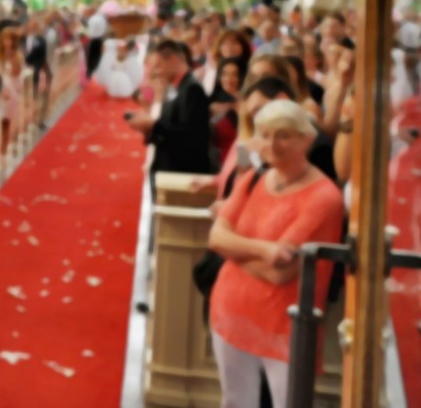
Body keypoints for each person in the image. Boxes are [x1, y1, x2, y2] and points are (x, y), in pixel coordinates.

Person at [207, 101, 344, 408]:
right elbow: (216, 238)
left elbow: (280, 273)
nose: (272, 144)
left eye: (283, 135)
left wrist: (236, 249)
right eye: (265, 134)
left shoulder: (324, 197)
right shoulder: (254, 178)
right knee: (235, 401)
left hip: (286, 327)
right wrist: (265, 250)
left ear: (305, 139)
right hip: (230, 310)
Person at [127, 40, 213, 191]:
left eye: (159, 65)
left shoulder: (192, 89)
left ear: (172, 59)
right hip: (169, 166)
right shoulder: (177, 86)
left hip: (182, 172)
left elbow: (192, 136)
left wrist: (153, 126)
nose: (157, 72)